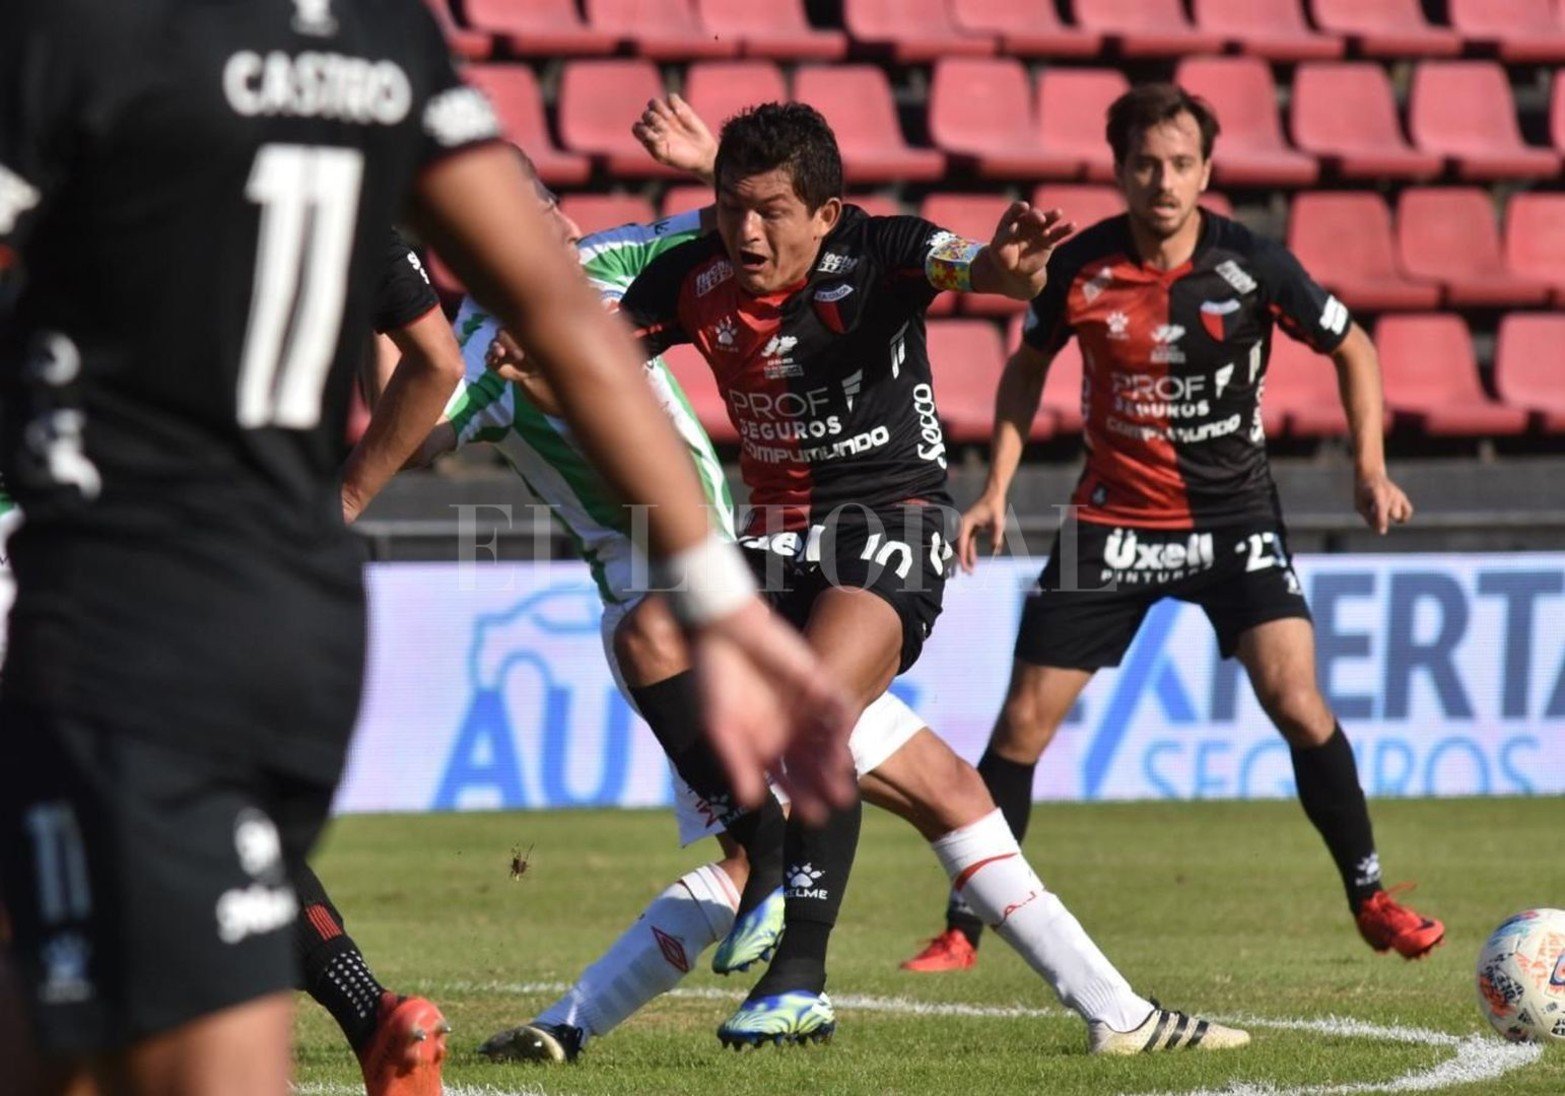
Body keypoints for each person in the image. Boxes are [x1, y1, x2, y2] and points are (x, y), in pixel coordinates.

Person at [0, 4, 851, 1094]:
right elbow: (552, 315)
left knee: (65, 1013)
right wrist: (721, 601)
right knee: (215, 989)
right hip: (294, 609)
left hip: (125, 584)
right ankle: (433, 1015)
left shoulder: (87, 36)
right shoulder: (377, 43)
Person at [602, 100, 1248, 1055]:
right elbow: (597, 357)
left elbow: (971, 265)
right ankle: (1118, 1015)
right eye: (730, 207)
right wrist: (540, 358)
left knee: (818, 707)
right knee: (648, 635)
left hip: (889, 525)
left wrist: (1005, 268)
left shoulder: (882, 250)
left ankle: (798, 979)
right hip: (774, 537)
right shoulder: (691, 277)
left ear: (826, 214)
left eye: (771, 210)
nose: (745, 230)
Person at [901, 83, 1444, 976]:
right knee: (1022, 730)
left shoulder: (1253, 265)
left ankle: (1370, 896)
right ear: (1120, 170)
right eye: (1146, 164)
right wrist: (995, 488)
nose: (1164, 180)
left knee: (1296, 701)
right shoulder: (1080, 267)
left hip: (1232, 521)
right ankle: (962, 928)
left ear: (1206, 171)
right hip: (1110, 526)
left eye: (1181, 164)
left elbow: (1353, 346)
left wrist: (1368, 467)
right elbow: (1021, 372)